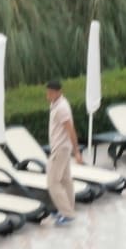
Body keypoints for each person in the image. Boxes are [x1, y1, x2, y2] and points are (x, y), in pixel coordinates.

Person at [45, 79, 82, 226]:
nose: (48, 95)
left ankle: (67, 213)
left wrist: (77, 151)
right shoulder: (55, 104)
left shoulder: (62, 108)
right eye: (47, 92)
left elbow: (71, 130)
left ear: (59, 92)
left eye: (51, 93)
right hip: (61, 148)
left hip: (60, 149)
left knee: (53, 182)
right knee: (66, 180)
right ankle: (68, 208)